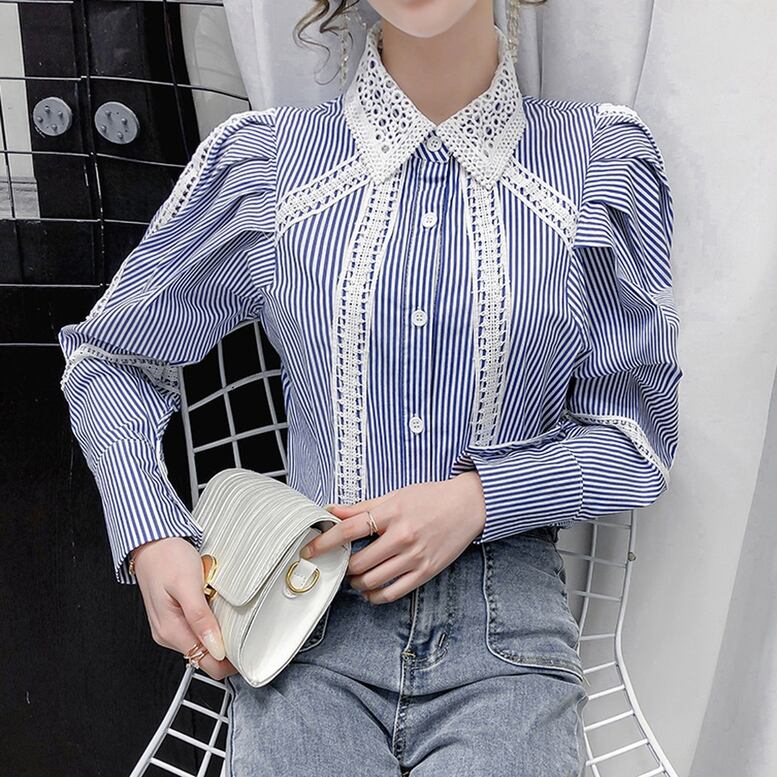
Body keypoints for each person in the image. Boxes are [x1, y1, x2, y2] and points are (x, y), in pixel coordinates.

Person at [57, 0, 682, 774]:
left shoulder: (597, 163)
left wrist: (479, 499)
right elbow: (110, 356)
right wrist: (153, 536)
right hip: (303, 618)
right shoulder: (267, 164)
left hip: (505, 629)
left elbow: (635, 437)